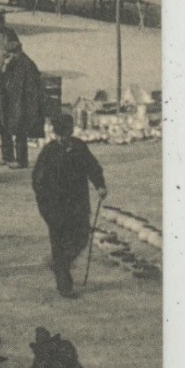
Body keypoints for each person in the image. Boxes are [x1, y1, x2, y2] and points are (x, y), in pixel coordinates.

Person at [32, 114, 108, 298]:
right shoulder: (49, 153)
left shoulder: (79, 147)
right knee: (58, 245)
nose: (64, 138)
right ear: (56, 134)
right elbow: (37, 181)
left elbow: (93, 166)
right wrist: (47, 206)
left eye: (67, 133)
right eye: (61, 135)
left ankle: (60, 264)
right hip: (56, 209)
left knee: (81, 237)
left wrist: (100, 184)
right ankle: (64, 286)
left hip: (78, 205)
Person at [0, 37, 46, 169]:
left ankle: (21, 160)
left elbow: (31, 88)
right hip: (10, 102)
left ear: (17, 52)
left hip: (21, 104)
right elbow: (1, 79)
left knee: (20, 131)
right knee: (5, 128)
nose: (9, 56)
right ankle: (7, 156)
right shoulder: (9, 63)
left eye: (11, 53)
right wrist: (4, 67)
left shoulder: (27, 64)